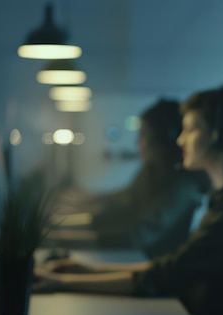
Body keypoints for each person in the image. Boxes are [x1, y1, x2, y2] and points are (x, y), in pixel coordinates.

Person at [35, 86, 223, 315]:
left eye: (190, 129)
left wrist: (64, 281)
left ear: (220, 137)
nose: (180, 140)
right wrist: (85, 269)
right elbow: (173, 266)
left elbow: (167, 275)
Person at [87, 98, 210, 258]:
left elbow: (141, 235)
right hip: (142, 262)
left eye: (143, 134)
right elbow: (125, 201)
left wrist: (67, 238)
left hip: (152, 267)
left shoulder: (182, 185)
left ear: (162, 140)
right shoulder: (153, 173)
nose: (138, 142)